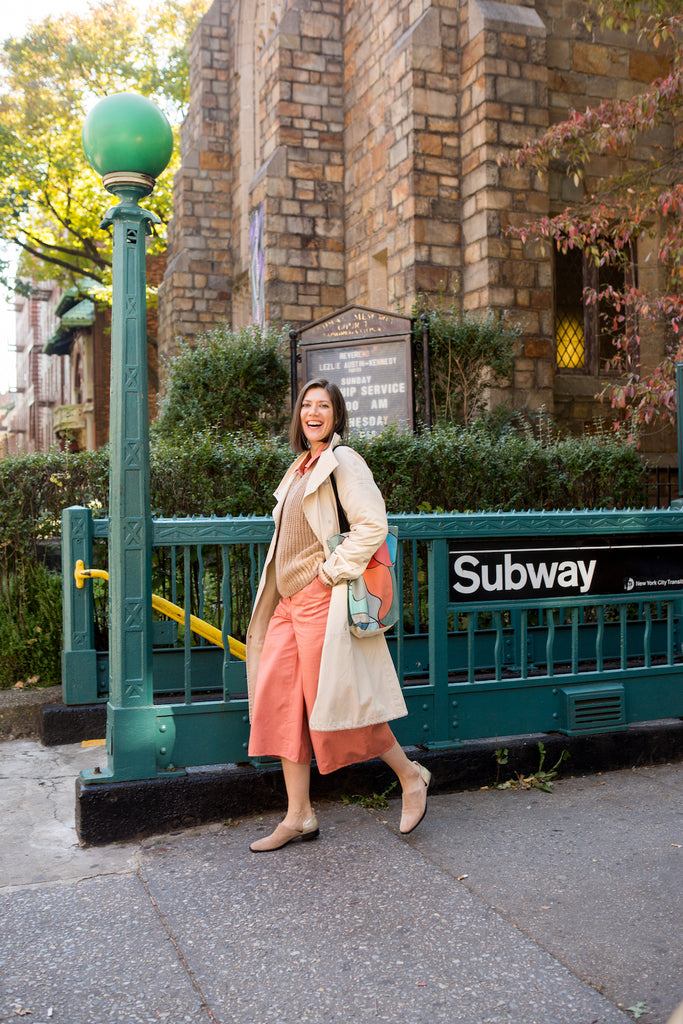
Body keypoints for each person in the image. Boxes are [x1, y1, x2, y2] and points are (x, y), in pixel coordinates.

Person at [246, 378, 431, 852]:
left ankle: (410, 776)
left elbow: (372, 524)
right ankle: (299, 815)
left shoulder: (342, 461)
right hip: (287, 604)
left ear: (336, 414)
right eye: (306, 405)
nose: (313, 412)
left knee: (342, 704)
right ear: (298, 416)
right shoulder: (299, 466)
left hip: (318, 598)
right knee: (283, 706)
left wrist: (329, 574)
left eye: (323, 405)